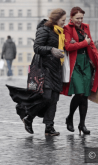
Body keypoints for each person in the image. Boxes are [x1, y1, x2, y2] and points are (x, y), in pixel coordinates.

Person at [22, 8, 66, 136]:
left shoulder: (61, 33)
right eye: (63, 20)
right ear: (56, 19)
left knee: (53, 99)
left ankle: (49, 127)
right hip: (43, 68)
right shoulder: (44, 30)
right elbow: (37, 47)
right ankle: (29, 117)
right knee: (46, 97)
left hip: (56, 68)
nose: (64, 22)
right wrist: (51, 49)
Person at [62, 7, 98, 135]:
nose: (80, 20)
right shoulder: (67, 29)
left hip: (86, 62)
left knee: (85, 94)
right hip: (75, 63)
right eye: (77, 18)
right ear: (71, 18)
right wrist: (84, 43)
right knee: (79, 92)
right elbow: (68, 46)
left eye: (81, 18)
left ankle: (82, 124)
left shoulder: (85, 27)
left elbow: (92, 45)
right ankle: (69, 118)